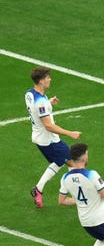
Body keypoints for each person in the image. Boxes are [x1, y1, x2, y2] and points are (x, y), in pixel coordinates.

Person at [25, 66, 82, 208]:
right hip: (49, 140)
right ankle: (74, 196)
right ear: (41, 81)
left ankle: (38, 189)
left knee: (59, 162)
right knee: (74, 165)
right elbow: (49, 126)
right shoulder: (41, 103)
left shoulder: (30, 94)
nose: (50, 79)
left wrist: (48, 103)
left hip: (40, 137)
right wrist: (70, 133)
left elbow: (36, 110)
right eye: (47, 78)